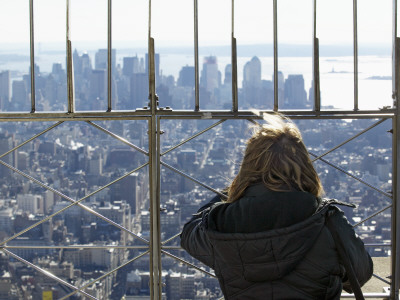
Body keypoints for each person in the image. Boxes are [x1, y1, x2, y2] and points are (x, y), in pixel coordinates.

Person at [180, 114, 373, 300]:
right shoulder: (329, 221)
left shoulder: (222, 224)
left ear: (248, 166)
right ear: (305, 166)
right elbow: (361, 274)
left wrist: (236, 187)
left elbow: (189, 234)